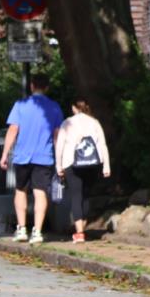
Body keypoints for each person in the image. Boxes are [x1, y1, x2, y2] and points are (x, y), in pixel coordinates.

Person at [0, 74, 64, 245]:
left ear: (32, 86)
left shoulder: (20, 105)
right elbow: (57, 135)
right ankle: (37, 231)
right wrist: (59, 159)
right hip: (44, 157)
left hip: (22, 156)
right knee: (40, 192)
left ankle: (21, 229)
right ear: (47, 87)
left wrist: (5, 154)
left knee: (20, 191)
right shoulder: (55, 107)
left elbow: (13, 130)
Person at [55, 99, 111, 243]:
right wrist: (106, 165)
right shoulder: (94, 122)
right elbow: (102, 144)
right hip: (92, 164)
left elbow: (59, 145)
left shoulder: (67, 123)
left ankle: (79, 233)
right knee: (86, 195)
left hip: (71, 163)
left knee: (76, 195)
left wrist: (58, 165)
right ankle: (83, 226)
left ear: (74, 108)